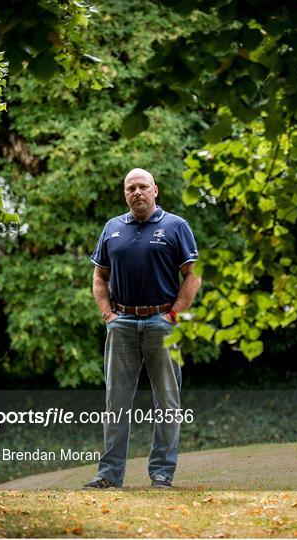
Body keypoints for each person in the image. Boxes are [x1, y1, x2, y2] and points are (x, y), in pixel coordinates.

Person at [83, 168, 201, 489]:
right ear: (125, 194)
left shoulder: (176, 226)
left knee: (167, 399)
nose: (137, 192)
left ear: (155, 190)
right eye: (130, 188)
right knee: (115, 402)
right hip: (121, 323)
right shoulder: (112, 228)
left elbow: (193, 275)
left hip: (161, 322)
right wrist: (108, 315)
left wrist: (174, 316)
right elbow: (99, 277)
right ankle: (109, 475)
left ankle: (162, 472)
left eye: (142, 187)